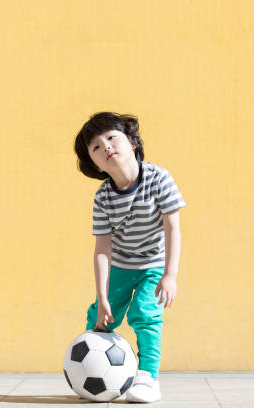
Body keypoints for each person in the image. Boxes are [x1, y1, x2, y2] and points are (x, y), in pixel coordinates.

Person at [73, 112, 186, 403]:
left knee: (145, 313)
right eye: (96, 147)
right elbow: (102, 249)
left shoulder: (159, 178)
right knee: (100, 316)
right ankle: (90, 368)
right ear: (94, 164)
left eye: (111, 137)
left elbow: (173, 227)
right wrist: (102, 297)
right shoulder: (103, 198)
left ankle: (148, 376)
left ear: (133, 143)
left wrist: (169, 275)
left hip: (153, 264)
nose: (106, 147)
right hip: (121, 264)